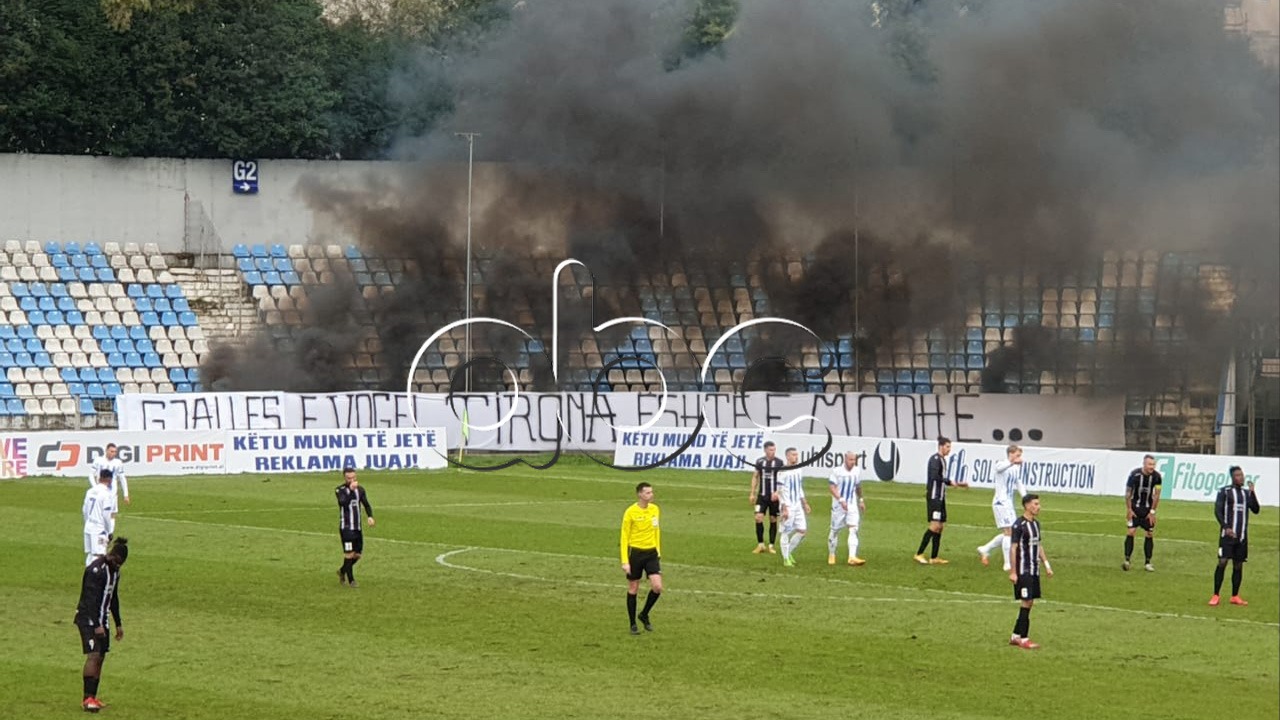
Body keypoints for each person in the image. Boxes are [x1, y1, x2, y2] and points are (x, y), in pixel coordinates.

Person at [74, 536, 129, 713]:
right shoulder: (95, 570)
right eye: (117, 562)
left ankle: (93, 696)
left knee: (102, 656)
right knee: (94, 655)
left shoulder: (115, 572)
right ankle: (86, 699)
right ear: (112, 556)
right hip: (88, 619)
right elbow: (89, 600)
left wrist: (118, 623)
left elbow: (113, 598)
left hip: (101, 619)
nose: (118, 565)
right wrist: (96, 625)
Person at [1209, 466, 1260, 607]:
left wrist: (1253, 493)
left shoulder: (1246, 494)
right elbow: (1218, 511)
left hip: (1242, 537)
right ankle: (1216, 595)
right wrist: (1226, 527)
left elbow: (1256, 510)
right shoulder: (1224, 492)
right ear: (1232, 477)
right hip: (1227, 536)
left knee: (1238, 565)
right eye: (1238, 475)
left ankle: (1235, 596)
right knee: (1222, 562)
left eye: (1242, 475)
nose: (1241, 477)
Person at [914, 437, 969, 565]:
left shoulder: (942, 460)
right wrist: (949, 481)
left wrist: (958, 484)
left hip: (940, 497)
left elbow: (941, 478)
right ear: (941, 446)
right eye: (948, 447)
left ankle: (934, 557)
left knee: (940, 527)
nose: (949, 450)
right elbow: (935, 477)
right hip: (934, 497)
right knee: (935, 526)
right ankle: (919, 553)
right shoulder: (935, 460)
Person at [1009, 495, 1052, 649]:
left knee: (1030, 602)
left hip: (1035, 569)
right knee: (1026, 601)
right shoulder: (1018, 525)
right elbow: (1013, 548)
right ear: (1027, 505)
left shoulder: (1036, 524)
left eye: (1039, 503)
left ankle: (1015, 635)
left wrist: (1047, 564)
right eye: (1035, 504)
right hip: (1023, 570)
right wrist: (1013, 571)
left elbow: (1038, 545)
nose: (1038, 506)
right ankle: (1024, 638)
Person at [620, 481, 662, 635]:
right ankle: (632, 624)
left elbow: (656, 530)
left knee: (657, 587)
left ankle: (644, 614)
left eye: (652, 492)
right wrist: (625, 561)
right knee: (633, 588)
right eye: (648, 493)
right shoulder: (630, 512)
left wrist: (658, 551)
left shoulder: (655, 510)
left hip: (651, 553)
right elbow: (624, 537)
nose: (651, 495)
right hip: (636, 554)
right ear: (640, 494)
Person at [978, 444, 1027, 571]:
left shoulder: (1015, 468)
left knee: (1011, 531)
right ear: (1010, 454)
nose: (1019, 458)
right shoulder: (1001, 463)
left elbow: (1019, 483)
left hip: (1008, 503)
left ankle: (985, 548)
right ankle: (1007, 563)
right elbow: (999, 469)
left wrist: (1026, 498)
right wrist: (1012, 462)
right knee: (1009, 532)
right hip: (1000, 502)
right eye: (1017, 455)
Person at [335, 466, 375, 587]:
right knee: (349, 554)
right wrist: (351, 491)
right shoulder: (340, 490)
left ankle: (342, 571)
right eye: (348, 478)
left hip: (357, 527)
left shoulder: (360, 490)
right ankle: (351, 580)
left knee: (357, 555)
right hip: (346, 528)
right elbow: (343, 503)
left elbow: (366, 504)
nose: (351, 480)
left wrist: (370, 516)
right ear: (344, 477)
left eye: (353, 477)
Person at [1123, 454, 1162, 571]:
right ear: (1144, 464)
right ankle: (1127, 560)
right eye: (1150, 464)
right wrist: (1129, 509)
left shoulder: (1157, 477)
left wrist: (1152, 511)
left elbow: (1157, 495)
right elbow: (1128, 493)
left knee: (1149, 534)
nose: (1152, 467)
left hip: (1147, 510)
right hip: (1135, 508)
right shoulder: (1134, 475)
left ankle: (1148, 563)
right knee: (1131, 531)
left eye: (1153, 464)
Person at [827, 451, 866, 566]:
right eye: (850, 460)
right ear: (845, 459)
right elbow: (832, 487)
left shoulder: (857, 471)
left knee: (853, 528)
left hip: (852, 504)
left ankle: (852, 557)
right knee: (835, 531)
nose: (852, 462)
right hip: (838, 506)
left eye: (854, 460)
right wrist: (840, 499)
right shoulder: (837, 471)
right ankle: (832, 554)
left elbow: (858, 486)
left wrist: (861, 500)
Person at [776, 448, 811, 567]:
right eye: (793, 455)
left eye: (797, 454)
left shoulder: (799, 469)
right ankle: (786, 559)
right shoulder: (783, 471)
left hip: (797, 505)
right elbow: (779, 491)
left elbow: (799, 487)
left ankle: (788, 552)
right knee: (785, 532)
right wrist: (784, 507)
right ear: (787, 456)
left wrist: (804, 503)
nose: (796, 457)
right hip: (788, 505)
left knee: (802, 531)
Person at [749, 441, 784, 554]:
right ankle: (760, 545)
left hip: (774, 498)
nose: (773, 452)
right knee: (758, 517)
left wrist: (778, 493)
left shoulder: (779, 462)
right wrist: (752, 493)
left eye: (774, 450)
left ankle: (771, 545)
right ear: (765, 450)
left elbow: (782, 479)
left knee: (773, 519)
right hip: (762, 496)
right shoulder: (760, 462)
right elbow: (755, 477)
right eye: (770, 450)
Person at [82, 469, 117, 566]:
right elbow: (106, 515)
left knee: (90, 554)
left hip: (88, 526)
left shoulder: (89, 491)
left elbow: (84, 510)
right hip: (99, 529)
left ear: (99, 478)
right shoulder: (106, 494)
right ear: (110, 480)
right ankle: (95, 578)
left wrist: (87, 522)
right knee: (99, 555)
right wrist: (109, 531)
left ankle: (88, 575)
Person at [88, 443, 130, 508]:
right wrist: (95, 487)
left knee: (112, 514)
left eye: (115, 452)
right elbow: (91, 475)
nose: (114, 453)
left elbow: (122, 478)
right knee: (100, 512)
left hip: (113, 493)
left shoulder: (118, 462)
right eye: (112, 451)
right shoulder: (98, 460)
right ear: (106, 451)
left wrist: (126, 494)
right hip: (100, 492)